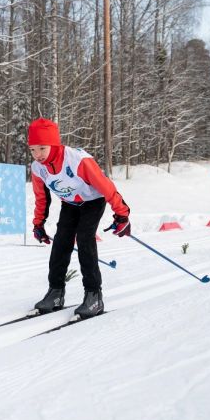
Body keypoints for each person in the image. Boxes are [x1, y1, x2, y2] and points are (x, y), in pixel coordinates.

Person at [28, 118, 130, 319]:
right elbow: (41, 198)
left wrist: (121, 214)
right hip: (71, 204)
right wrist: (38, 223)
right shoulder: (38, 168)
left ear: (54, 144)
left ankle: (94, 296)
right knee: (61, 243)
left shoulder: (77, 160)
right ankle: (55, 292)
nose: (37, 155)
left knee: (84, 239)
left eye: (42, 148)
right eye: (32, 149)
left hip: (93, 200)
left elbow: (106, 186)